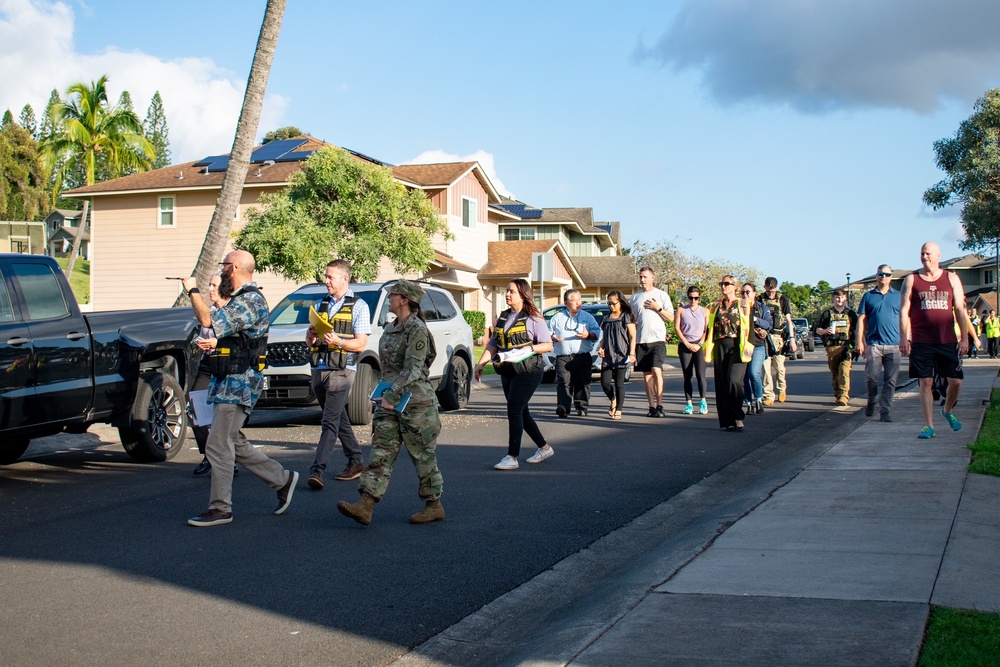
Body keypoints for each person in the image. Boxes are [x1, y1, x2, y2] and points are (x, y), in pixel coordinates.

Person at [182, 250, 298, 527]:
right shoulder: (242, 300)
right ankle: (281, 480)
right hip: (231, 381)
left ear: (232, 268)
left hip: (239, 384)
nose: (221, 271)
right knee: (232, 440)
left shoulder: (249, 300)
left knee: (218, 443)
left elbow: (209, 321)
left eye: (223, 266)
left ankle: (221, 508)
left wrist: (192, 290)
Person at [337, 281, 445, 526]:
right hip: (389, 401)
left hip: (415, 404)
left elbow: (415, 368)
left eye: (392, 295)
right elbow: (389, 368)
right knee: (381, 451)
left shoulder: (416, 329)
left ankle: (433, 505)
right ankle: (366, 505)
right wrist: (384, 395)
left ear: (404, 300)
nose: (388, 299)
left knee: (422, 456)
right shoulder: (391, 327)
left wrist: (392, 395)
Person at [305, 259, 371, 489]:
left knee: (329, 421)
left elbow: (361, 344)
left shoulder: (360, 306)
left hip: (342, 371)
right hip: (319, 368)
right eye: (326, 276)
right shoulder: (320, 303)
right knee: (338, 417)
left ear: (345, 278)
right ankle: (356, 461)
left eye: (330, 277)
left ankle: (317, 471)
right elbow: (309, 338)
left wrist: (340, 342)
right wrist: (311, 338)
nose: (326, 281)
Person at [474, 279, 554, 470]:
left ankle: (512, 456)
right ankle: (544, 447)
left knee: (514, 409)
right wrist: (481, 363)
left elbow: (548, 345)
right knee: (521, 411)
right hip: (508, 370)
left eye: (511, 292)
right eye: (507, 291)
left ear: (523, 294)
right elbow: (493, 344)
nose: (507, 294)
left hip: (529, 370)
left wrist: (529, 348)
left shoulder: (534, 318)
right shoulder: (503, 317)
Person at [900, 241, 969, 439]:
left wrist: (964, 338)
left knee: (955, 381)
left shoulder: (951, 278)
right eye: (922, 253)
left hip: (947, 339)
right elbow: (904, 310)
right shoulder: (911, 280)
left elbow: (959, 310)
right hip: (922, 341)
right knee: (926, 382)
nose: (925, 256)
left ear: (938, 255)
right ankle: (929, 426)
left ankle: (947, 410)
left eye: (928, 253)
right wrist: (904, 337)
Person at [190, 273, 240, 477]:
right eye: (208, 285)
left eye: (214, 285)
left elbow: (238, 341)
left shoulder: (233, 312)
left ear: (225, 288)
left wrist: (216, 343)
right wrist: (201, 343)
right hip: (208, 364)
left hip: (227, 365)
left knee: (224, 417)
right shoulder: (209, 311)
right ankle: (209, 455)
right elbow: (204, 333)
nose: (210, 289)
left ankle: (229, 458)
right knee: (195, 410)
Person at [703, 276, 752, 432]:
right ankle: (727, 421)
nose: (723, 286)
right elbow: (709, 328)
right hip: (720, 345)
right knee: (722, 384)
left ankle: (738, 416)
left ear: (735, 286)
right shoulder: (715, 305)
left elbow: (749, 326)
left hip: (737, 345)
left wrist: (749, 346)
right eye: (721, 284)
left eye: (726, 284)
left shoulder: (744, 304)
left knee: (734, 381)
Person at [856, 264, 902, 422]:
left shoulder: (898, 296)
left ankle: (885, 410)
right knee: (872, 378)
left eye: (887, 274)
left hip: (894, 344)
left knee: (891, 380)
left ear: (891, 277)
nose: (884, 277)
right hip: (874, 343)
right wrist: (860, 341)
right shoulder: (868, 296)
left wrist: (907, 338)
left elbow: (905, 319)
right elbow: (861, 319)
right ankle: (871, 400)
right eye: (881, 274)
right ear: (876, 275)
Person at [629, 266, 674, 417]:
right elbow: (631, 320)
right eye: (641, 277)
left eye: (645, 277)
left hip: (657, 340)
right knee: (647, 375)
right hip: (641, 340)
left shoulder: (661, 295)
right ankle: (651, 406)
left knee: (657, 369)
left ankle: (660, 404)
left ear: (653, 278)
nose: (642, 279)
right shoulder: (635, 297)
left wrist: (658, 308)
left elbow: (672, 318)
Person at [549, 289, 600, 417]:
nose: (578, 303)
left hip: (582, 356)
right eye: (575, 301)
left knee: (582, 382)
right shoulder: (557, 317)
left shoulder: (587, 317)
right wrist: (552, 336)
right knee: (563, 382)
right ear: (566, 302)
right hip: (563, 356)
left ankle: (581, 406)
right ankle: (563, 407)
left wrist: (588, 334)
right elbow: (549, 332)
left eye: (580, 300)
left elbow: (597, 333)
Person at [815, 288, 858, 406]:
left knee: (844, 372)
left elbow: (856, 330)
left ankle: (844, 395)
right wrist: (825, 331)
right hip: (832, 348)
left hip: (846, 347)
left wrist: (856, 346)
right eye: (837, 297)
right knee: (835, 373)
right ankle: (838, 393)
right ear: (833, 299)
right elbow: (817, 330)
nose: (840, 300)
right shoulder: (827, 314)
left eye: (842, 297)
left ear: (846, 298)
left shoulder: (851, 314)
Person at [598, 290, 636, 420]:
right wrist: (601, 348)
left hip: (622, 354)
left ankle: (619, 409)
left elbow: (632, 336)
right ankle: (613, 399)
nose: (611, 306)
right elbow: (603, 336)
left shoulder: (626, 316)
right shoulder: (606, 318)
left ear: (620, 302)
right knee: (605, 383)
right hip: (608, 355)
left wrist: (632, 353)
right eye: (609, 303)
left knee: (619, 383)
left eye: (613, 303)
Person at [759, 277, 796, 405]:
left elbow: (788, 320)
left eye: (773, 291)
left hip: (778, 337)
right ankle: (768, 395)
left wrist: (792, 339)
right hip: (764, 336)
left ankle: (782, 388)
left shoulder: (782, 299)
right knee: (765, 368)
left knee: (780, 368)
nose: (771, 293)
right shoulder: (759, 299)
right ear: (765, 287)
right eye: (769, 291)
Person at [674, 285, 709, 415]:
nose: (693, 300)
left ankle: (703, 401)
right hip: (685, 345)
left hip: (699, 345)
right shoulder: (682, 310)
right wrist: (686, 343)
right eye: (691, 298)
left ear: (699, 298)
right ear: (687, 297)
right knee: (687, 376)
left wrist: (700, 343)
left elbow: (706, 330)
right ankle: (689, 403)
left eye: (696, 298)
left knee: (700, 375)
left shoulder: (705, 311)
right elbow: (677, 328)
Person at [740, 283, 772, 415]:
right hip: (743, 345)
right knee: (744, 377)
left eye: (748, 292)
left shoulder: (761, 307)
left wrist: (754, 319)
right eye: (742, 292)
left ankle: (758, 399)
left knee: (754, 373)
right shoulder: (738, 307)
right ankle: (748, 402)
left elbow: (768, 324)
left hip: (758, 345)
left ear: (754, 293)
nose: (745, 295)